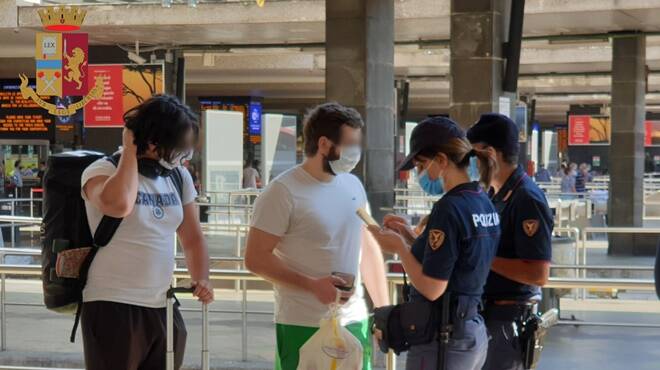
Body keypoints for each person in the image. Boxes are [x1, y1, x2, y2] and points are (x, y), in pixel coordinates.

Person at [244, 102, 389, 370]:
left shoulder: (353, 184)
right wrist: (312, 284)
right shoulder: (282, 192)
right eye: (350, 144)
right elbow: (255, 258)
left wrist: (383, 311)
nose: (355, 153)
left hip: (354, 321)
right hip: (302, 323)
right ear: (324, 144)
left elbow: (367, 248)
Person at [80, 95, 214, 370]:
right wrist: (129, 150)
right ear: (153, 143)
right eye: (178, 149)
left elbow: (192, 237)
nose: (183, 158)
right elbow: (119, 205)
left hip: (162, 304)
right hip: (112, 304)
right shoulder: (102, 170)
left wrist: (201, 278)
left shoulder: (178, 177)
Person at [369, 116, 500, 370]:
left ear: (441, 160)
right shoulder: (481, 200)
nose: (420, 174)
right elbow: (457, 258)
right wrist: (409, 236)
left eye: (421, 165)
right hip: (471, 331)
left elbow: (432, 288)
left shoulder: (448, 208)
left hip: (443, 340)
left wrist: (399, 248)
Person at [466, 113, 553, 370]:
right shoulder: (494, 193)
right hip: (488, 317)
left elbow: (538, 273)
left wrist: (484, 258)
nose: (471, 164)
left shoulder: (527, 198)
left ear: (490, 153)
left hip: (507, 322)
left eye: (473, 156)